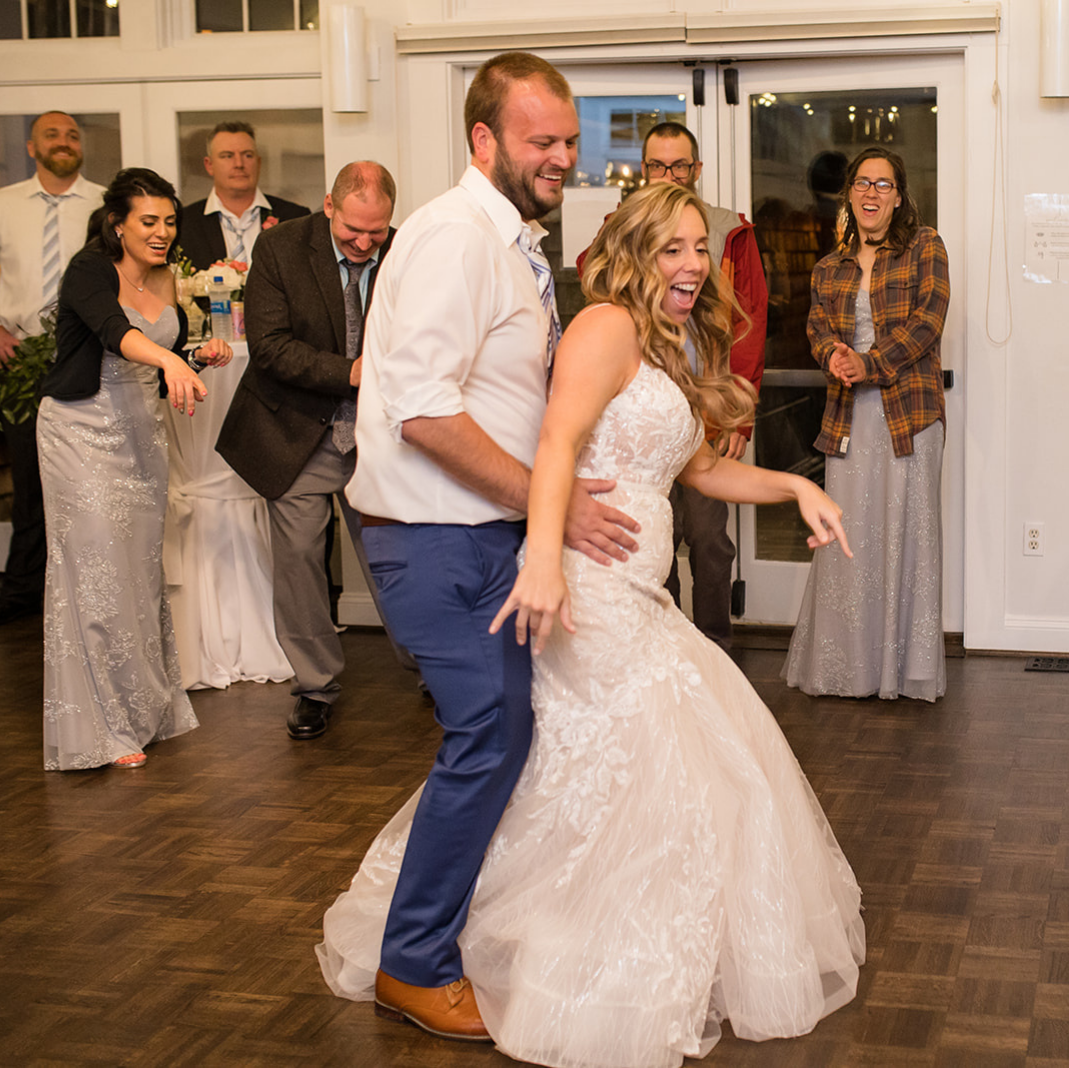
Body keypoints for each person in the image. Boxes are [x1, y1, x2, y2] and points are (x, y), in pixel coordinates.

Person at [322, 179, 864, 1068]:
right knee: (636, 766)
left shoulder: (673, 339)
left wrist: (795, 484)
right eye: (674, 248)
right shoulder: (604, 325)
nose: (692, 264)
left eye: (701, 249)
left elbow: (695, 471)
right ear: (636, 253)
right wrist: (541, 562)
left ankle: (591, 939)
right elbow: (558, 447)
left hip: (642, 593)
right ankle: (545, 951)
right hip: (587, 588)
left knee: (653, 772)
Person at [315, 53, 638, 1040]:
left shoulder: (512, 241)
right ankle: (412, 964)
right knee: (489, 737)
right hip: (436, 540)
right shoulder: (455, 237)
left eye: (571, 142)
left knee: (509, 739)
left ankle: (457, 930)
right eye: (543, 140)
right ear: (484, 140)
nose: (562, 158)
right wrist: (553, 503)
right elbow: (420, 411)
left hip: (483, 535)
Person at [34, 168, 232, 770]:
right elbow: (117, 333)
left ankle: (147, 709)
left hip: (141, 436)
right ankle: (105, 728)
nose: (162, 232)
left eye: (170, 221)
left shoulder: (168, 275)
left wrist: (192, 355)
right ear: (117, 223)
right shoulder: (89, 271)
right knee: (96, 575)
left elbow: (159, 346)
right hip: (80, 432)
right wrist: (170, 366)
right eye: (149, 221)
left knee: (138, 574)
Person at [216, 160, 409, 739]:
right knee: (300, 559)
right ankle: (314, 686)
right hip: (298, 430)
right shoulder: (279, 249)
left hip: (381, 437)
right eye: (354, 229)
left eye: (376, 231)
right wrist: (354, 374)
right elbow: (270, 346)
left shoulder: (406, 252)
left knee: (395, 557)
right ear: (329, 206)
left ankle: (432, 671)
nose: (364, 242)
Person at [576, 121, 767, 651]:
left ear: (696, 171)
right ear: (644, 171)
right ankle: (668, 638)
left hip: (702, 417)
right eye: (657, 166)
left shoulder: (729, 233)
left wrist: (738, 417)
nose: (667, 175)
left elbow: (750, 324)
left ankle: (714, 647)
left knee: (708, 539)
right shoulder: (623, 230)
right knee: (650, 538)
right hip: (635, 430)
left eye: (678, 166)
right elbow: (593, 279)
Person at [783, 146, 950, 701]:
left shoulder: (926, 246)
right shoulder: (829, 266)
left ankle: (901, 673)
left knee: (908, 537)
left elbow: (928, 322)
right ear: (849, 193)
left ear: (899, 196)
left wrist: (869, 363)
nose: (872, 193)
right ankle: (846, 669)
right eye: (862, 183)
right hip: (849, 416)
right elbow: (816, 328)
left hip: (911, 416)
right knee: (847, 537)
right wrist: (833, 353)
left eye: (883, 184)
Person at [0, 111, 105, 627]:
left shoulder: (106, 204)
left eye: (71, 135)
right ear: (30, 146)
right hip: (18, 360)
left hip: (86, 358)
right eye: (52, 135)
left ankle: (84, 589)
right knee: (30, 481)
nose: (63, 142)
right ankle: (22, 590)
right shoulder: (3, 204)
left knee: (84, 481)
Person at [175, 121, 309, 271]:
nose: (239, 163)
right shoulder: (184, 224)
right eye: (227, 156)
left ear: (258, 162)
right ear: (209, 165)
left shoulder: (296, 219)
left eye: (247, 155)